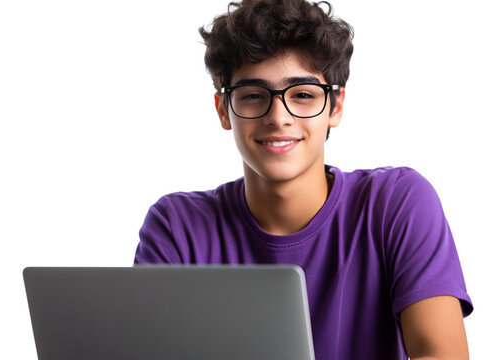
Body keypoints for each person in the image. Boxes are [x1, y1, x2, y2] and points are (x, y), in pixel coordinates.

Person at [133, 0, 473, 358]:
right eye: (252, 96)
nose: (278, 117)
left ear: (335, 107)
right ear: (224, 110)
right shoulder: (176, 227)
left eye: (303, 95)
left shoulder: (398, 203)